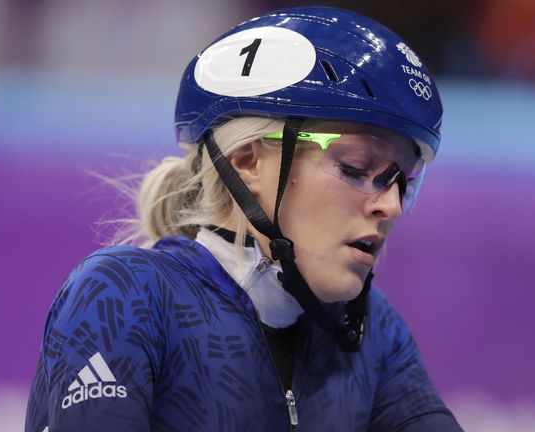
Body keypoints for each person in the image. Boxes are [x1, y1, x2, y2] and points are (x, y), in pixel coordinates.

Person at [25, 6, 461, 431]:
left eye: (403, 180)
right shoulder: (127, 295)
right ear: (248, 161)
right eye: (355, 167)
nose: (391, 206)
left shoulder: (371, 331)